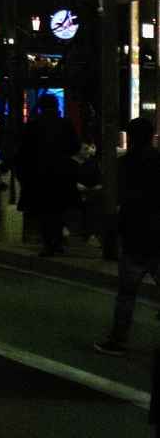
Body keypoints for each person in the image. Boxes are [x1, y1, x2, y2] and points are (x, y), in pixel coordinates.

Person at [95, 118, 160, 356]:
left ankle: (118, 340)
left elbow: (118, 198)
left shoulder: (125, 164)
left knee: (126, 293)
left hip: (135, 232)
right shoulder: (157, 161)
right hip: (157, 232)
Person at [18, 94, 79, 256]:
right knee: (58, 210)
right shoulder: (65, 124)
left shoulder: (33, 125)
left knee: (44, 210)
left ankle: (48, 243)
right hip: (61, 174)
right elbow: (75, 147)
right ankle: (57, 242)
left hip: (40, 174)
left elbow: (24, 151)